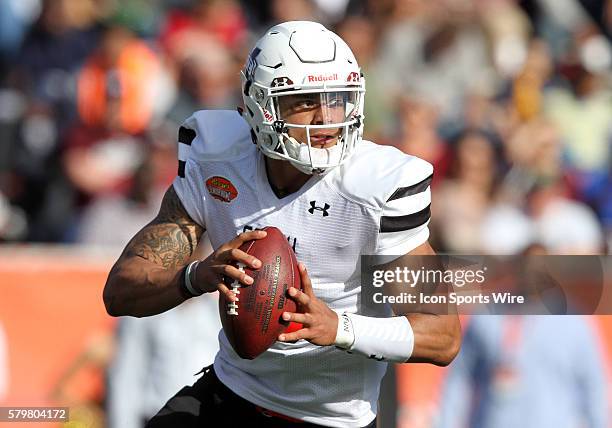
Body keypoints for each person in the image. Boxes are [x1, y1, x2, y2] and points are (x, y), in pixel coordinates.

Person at [103, 21, 461, 428]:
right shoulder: (217, 157)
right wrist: (196, 276)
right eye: (306, 101)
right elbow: (120, 291)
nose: (326, 118)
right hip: (232, 396)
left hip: (332, 421)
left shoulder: (374, 186)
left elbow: (443, 335)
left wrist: (338, 327)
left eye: (338, 99)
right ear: (260, 107)